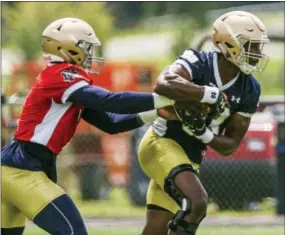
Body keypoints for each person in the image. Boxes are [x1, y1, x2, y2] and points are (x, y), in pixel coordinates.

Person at [1, 18, 177, 235]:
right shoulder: (62, 75)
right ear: (68, 48)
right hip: (24, 170)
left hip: (14, 169)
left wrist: (155, 112)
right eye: (86, 47)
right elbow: (111, 100)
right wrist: (162, 98)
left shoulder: (65, 82)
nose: (90, 54)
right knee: (74, 232)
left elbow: (111, 123)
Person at [138, 11, 270, 235]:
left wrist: (203, 133)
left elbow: (230, 144)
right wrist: (207, 94)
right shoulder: (199, 61)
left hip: (190, 157)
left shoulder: (250, 88)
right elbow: (163, 83)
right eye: (251, 46)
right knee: (196, 202)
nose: (256, 53)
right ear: (228, 43)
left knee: (155, 228)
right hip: (161, 142)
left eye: (258, 47)